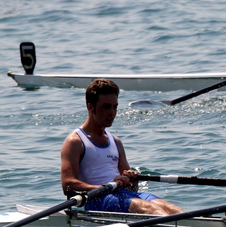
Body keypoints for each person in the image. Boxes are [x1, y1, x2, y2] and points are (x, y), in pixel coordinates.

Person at [60, 79, 183, 215]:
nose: (112, 112)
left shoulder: (115, 141)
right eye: (106, 107)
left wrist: (131, 180)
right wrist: (104, 188)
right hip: (97, 199)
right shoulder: (75, 141)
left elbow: (132, 188)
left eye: (115, 107)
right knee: (152, 209)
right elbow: (68, 185)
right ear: (90, 107)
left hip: (122, 195)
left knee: (170, 208)